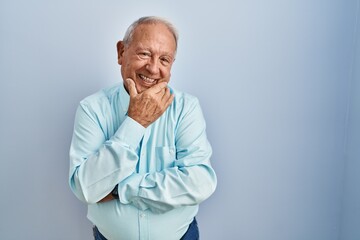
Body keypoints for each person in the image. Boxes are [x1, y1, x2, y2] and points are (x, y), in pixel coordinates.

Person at [69, 16, 217, 240]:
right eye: (144, 54)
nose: (153, 68)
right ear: (121, 52)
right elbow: (86, 188)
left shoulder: (186, 107)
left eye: (164, 59)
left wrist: (120, 189)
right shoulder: (92, 109)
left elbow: (200, 182)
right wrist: (135, 122)